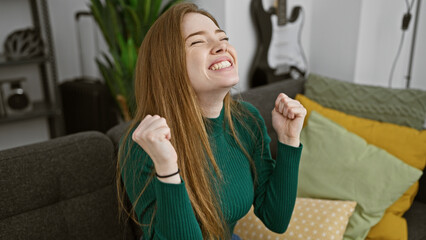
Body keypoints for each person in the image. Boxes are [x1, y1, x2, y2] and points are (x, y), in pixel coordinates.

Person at [117, 2, 306, 240]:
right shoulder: (145, 144)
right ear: (168, 66)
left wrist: (289, 140)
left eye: (222, 37)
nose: (221, 46)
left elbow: (276, 219)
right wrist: (167, 168)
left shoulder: (246, 120)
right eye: (197, 41)